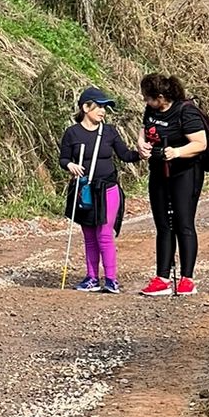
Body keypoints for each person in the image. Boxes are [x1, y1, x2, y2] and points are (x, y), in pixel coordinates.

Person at [58, 87, 142, 293]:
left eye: (105, 107)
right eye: (100, 107)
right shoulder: (72, 133)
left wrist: (142, 152)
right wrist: (70, 166)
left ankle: (111, 279)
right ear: (85, 107)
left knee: (104, 233)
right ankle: (92, 278)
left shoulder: (110, 132)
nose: (103, 111)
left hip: (108, 188)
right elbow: (63, 159)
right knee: (88, 235)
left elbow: (125, 155)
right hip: (84, 189)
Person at [137, 73, 209, 297]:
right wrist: (141, 145)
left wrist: (177, 152)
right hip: (158, 171)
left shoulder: (185, 111)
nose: (146, 102)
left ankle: (187, 279)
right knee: (163, 225)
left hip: (185, 173)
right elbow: (144, 131)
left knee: (183, 224)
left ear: (160, 96)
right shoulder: (151, 110)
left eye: (148, 98)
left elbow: (200, 143)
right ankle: (162, 278)